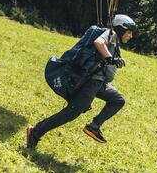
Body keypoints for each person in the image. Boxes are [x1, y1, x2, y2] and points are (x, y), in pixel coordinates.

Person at [27, 14, 137, 148]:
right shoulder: (110, 34)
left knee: (118, 100)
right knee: (72, 112)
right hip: (91, 82)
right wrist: (110, 58)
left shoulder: (114, 40)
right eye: (129, 32)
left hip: (98, 83)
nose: (130, 36)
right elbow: (98, 43)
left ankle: (94, 126)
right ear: (121, 29)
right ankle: (36, 132)